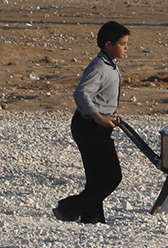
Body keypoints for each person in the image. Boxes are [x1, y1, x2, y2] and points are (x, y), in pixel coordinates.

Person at [54, 21, 130, 224]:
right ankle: (68, 208)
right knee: (112, 177)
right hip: (88, 126)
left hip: (98, 125)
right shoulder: (99, 67)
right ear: (108, 44)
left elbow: (100, 96)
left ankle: (92, 219)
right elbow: (81, 93)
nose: (126, 48)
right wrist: (99, 117)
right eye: (122, 44)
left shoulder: (110, 65)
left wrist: (109, 115)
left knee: (96, 177)